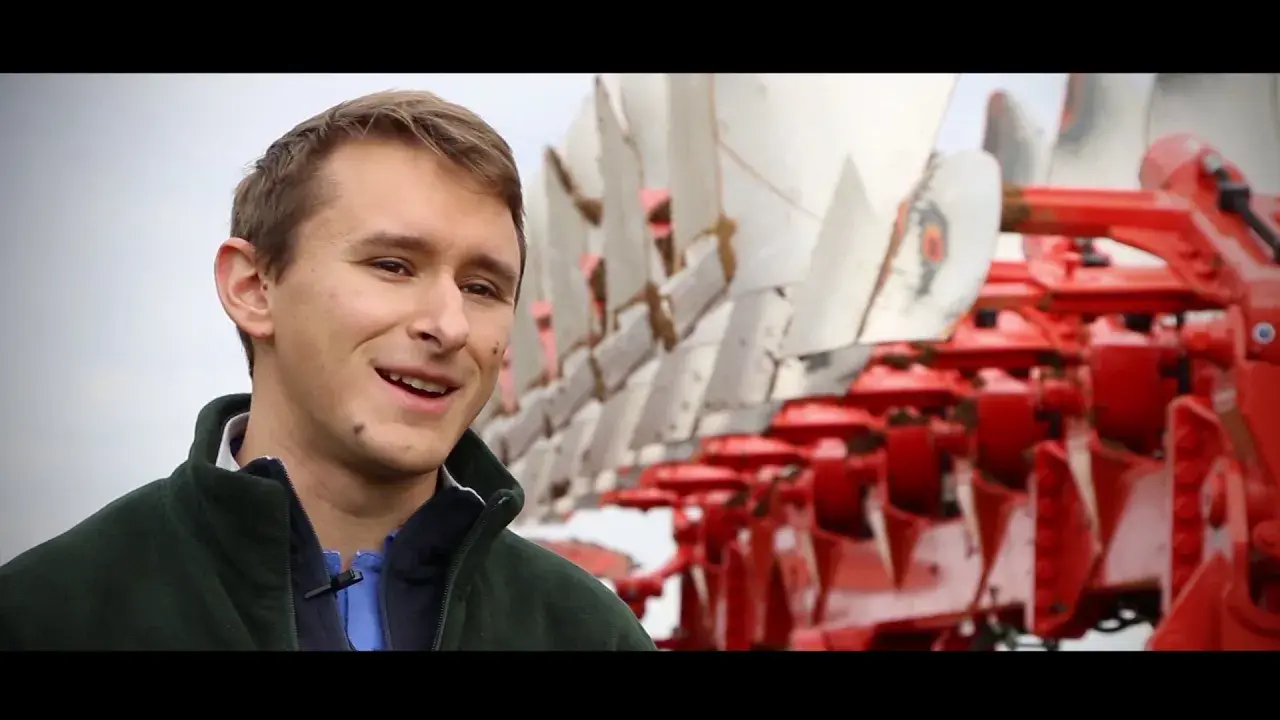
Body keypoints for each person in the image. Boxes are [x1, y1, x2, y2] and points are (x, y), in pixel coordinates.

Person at [0, 89, 657, 651]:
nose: (449, 324)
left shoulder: (587, 634)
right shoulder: (51, 616)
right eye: (393, 266)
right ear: (253, 287)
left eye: (483, 287)